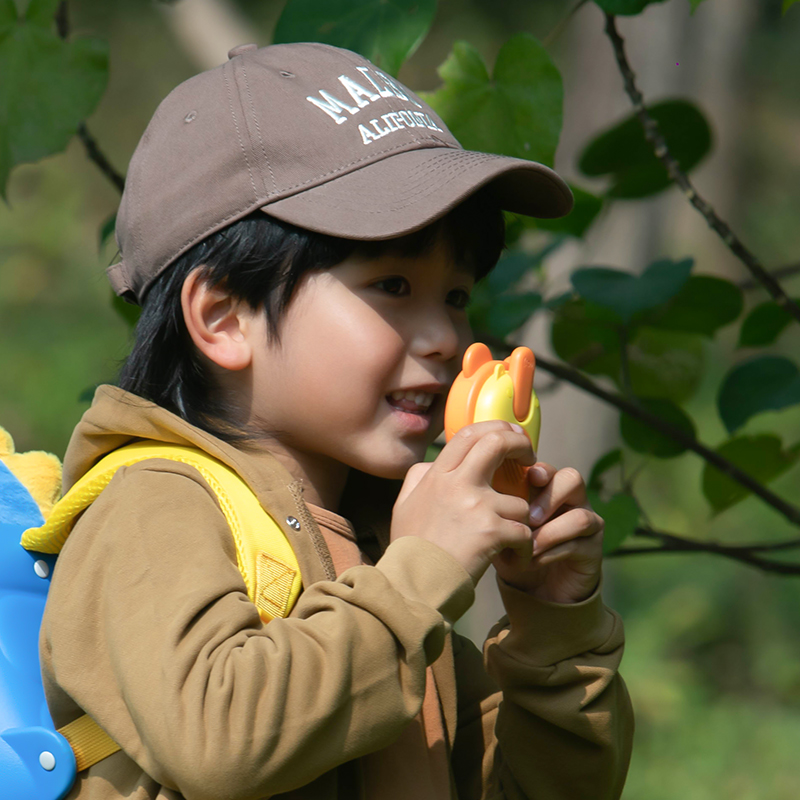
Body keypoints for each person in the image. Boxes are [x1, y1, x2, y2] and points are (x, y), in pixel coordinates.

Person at [40, 42, 634, 800]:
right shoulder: (151, 505)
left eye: (456, 295)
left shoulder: (383, 563)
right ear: (223, 317)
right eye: (393, 283)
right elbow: (219, 741)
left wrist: (556, 631)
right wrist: (421, 574)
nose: (447, 337)